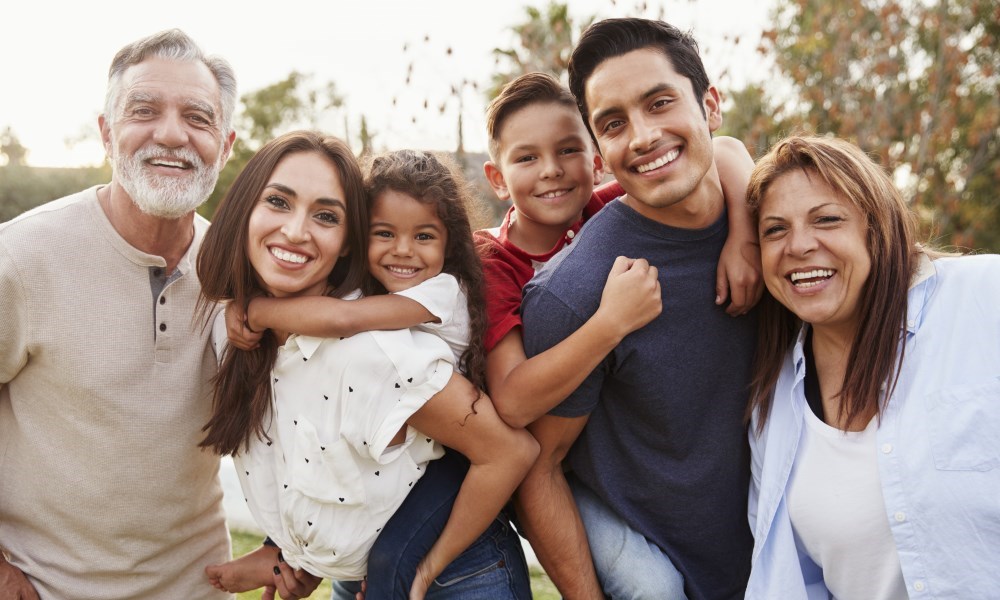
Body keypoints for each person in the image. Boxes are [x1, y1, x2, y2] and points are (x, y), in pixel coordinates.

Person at [196, 133, 538, 599]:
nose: (296, 231)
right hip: (357, 567)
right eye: (277, 201)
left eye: (325, 215)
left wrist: (255, 311)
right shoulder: (238, 334)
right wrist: (300, 556)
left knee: (393, 563)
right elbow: (335, 476)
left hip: (455, 576)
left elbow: (508, 452)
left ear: (345, 242)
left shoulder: (378, 350)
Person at [518, 18, 761, 599]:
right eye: (614, 123)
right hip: (667, 574)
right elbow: (539, 466)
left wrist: (748, 234)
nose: (644, 135)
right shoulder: (576, 295)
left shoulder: (777, 230)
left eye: (660, 103)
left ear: (710, 105)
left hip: (786, 564)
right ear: (600, 151)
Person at [0, 29, 238, 599]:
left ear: (225, 145)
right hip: (45, 587)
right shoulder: (20, 260)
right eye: (144, 111)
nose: (172, 134)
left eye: (198, 118)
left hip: (198, 587)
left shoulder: (238, 276)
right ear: (107, 134)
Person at [744, 135, 1000, 599]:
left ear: (876, 228)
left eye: (827, 219)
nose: (799, 245)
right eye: (775, 230)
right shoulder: (772, 412)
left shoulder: (985, 298)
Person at [477, 71, 759, 432]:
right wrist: (611, 322)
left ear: (597, 164)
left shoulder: (604, 210)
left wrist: (744, 237)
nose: (552, 170)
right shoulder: (491, 259)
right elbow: (513, 403)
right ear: (498, 179)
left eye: (568, 150)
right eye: (527, 158)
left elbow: (724, 148)